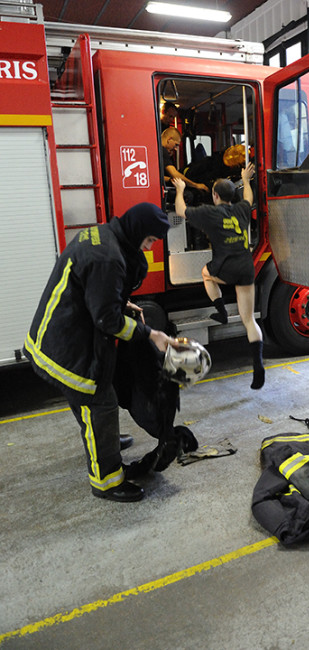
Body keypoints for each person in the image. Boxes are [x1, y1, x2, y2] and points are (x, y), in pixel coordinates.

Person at [24, 202, 179, 503]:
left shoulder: (104, 235)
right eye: (149, 241)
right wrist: (152, 334)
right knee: (100, 403)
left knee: (93, 406)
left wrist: (123, 303)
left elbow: (97, 293)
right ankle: (107, 481)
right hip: (66, 347)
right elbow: (107, 321)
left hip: (58, 334)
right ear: (137, 231)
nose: (148, 248)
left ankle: (102, 440)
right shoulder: (108, 257)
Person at [172, 164, 265, 390]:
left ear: (214, 195)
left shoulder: (209, 212)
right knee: (248, 319)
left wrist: (180, 190)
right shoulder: (242, 209)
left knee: (206, 273)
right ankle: (258, 366)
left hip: (224, 269)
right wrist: (246, 178)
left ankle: (222, 312)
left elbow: (180, 211)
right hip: (246, 267)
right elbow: (249, 197)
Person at [161, 127, 209, 197]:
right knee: (188, 195)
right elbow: (174, 174)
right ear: (169, 140)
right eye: (176, 145)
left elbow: (157, 176)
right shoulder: (163, 150)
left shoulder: (157, 149)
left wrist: (170, 179)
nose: (176, 149)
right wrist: (196, 185)